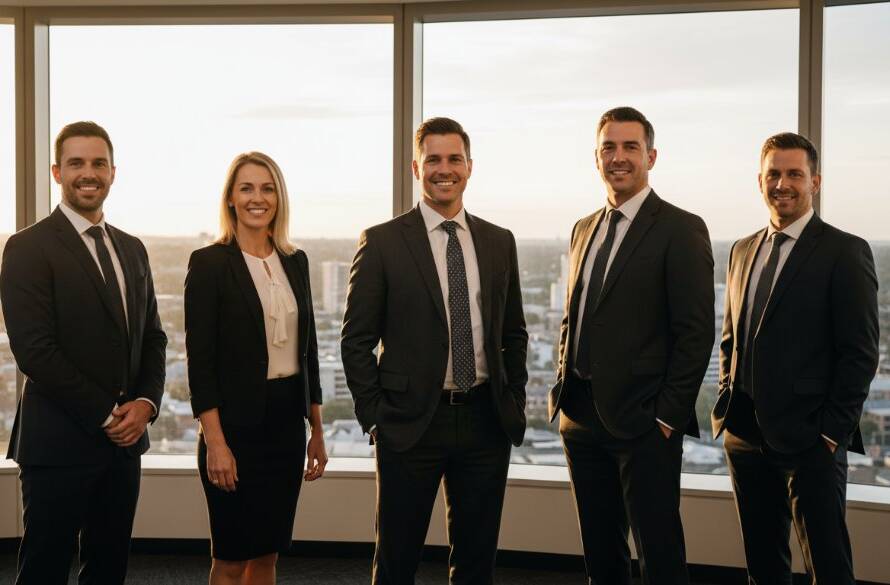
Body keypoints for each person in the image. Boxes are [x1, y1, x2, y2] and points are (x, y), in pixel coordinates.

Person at [341, 117, 528, 585]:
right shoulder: (382, 242)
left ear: (469, 166)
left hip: (486, 420)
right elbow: (355, 339)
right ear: (415, 167)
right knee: (397, 559)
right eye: (434, 160)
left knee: (476, 560)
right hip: (409, 423)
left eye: (454, 159)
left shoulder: (498, 241)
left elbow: (514, 331)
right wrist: (376, 414)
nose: (445, 169)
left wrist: (514, 399)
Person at [550, 107, 715, 585]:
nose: (618, 157)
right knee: (601, 554)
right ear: (596, 157)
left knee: (659, 553)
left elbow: (695, 332)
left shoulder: (680, 228)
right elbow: (574, 316)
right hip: (579, 416)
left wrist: (666, 417)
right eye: (609, 147)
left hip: (644, 424)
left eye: (630, 147)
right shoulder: (585, 228)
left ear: (651, 156)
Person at [0, 121, 167, 584]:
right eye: (76, 163)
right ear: (57, 172)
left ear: (113, 172)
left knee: (109, 568)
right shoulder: (27, 247)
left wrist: (146, 405)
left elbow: (153, 338)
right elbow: (35, 351)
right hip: (58, 444)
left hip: (125, 446)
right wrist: (107, 414)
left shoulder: (132, 250)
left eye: (98, 163)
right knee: (44, 570)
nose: (87, 173)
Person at [711, 132, 879, 584]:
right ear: (759, 181)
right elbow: (732, 337)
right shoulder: (742, 249)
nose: (782, 184)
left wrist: (831, 433)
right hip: (744, 433)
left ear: (815, 181)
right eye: (773, 174)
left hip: (811, 439)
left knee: (827, 562)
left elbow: (860, 353)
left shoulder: (845, 251)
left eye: (794, 174)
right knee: (763, 563)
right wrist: (727, 398)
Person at [184, 151, 328, 585]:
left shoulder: (295, 260)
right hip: (233, 426)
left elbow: (310, 350)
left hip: (286, 426)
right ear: (230, 198)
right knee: (230, 558)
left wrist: (316, 430)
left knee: (267, 553)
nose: (257, 198)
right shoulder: (209, 264)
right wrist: (216, 443)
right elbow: (200, 364)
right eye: (246, 188)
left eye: (267, 188)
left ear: (279, 198)